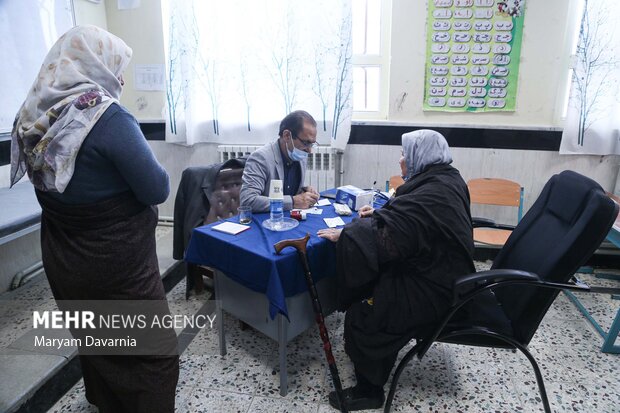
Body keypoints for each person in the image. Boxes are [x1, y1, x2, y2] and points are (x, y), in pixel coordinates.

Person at [10, 26, 178, 412]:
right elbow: (156, 189)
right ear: (93, 63)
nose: (120, 78)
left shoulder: (33, 112)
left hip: (65, 256)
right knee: (155, 354)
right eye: (117, 67)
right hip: (115, 263)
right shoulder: (106, 117)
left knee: (99, 338)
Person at [318, 130, 475, 411]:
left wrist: (347, 234)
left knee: (367, 306)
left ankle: (369, 391)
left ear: (419, 157)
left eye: (404, 154)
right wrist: (379, 216)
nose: (401, 160)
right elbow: (414, 227)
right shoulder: (445, 178)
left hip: (436, 289)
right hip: (445, 274)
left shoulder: (432, 192)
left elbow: (386, 244)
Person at [240, 110, 320, 212]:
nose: (309, 150)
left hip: (288, 218)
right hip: (266, 220)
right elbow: (247, 201)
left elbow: (285, 190)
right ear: (287, 136)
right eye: (306, 143)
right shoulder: (261, 158)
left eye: (312, 144)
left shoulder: (300, 156)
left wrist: (303, 191)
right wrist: (293, 201)